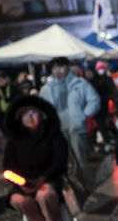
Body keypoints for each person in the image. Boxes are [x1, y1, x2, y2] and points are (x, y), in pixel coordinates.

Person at [3, 95, 68, 221]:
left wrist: (44, 178)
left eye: (33, 113)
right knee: (19, 200)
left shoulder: (53, 135)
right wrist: (21, 182)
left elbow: (60, 161)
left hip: (48, 177)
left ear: (41, 115)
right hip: (23, 182)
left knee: (44, 194)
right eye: (25, 115)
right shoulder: (14, 140)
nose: (29, 117)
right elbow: (8, 167)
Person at [39, 56, 100, 188]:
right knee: (61, 160)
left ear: (67, 67)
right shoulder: (46, 89)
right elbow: (41, 108)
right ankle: (68, 191)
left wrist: (84, 115)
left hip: (76, 127)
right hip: (56, 129)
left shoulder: (80, 83)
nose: (57, 70)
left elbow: (94, 100)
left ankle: (87, 188)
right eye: (54, 68)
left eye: (60, 66)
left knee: (79, 159)